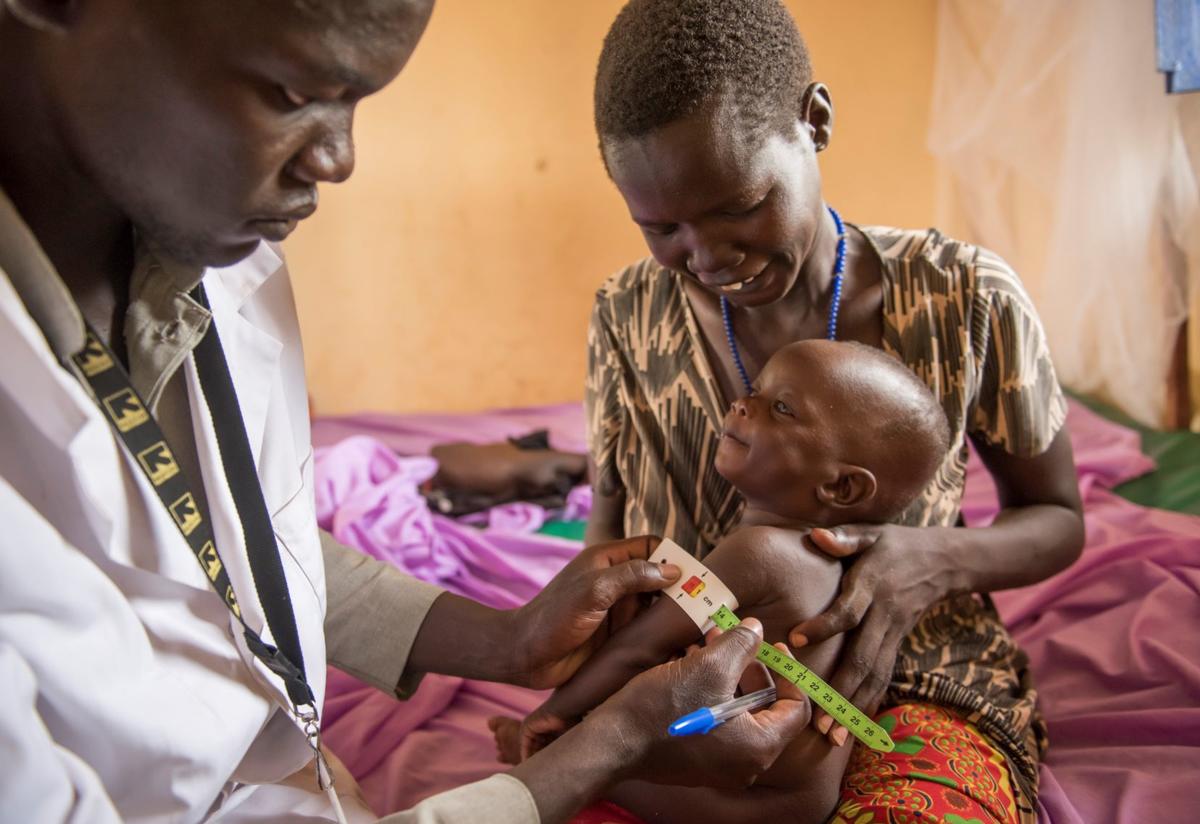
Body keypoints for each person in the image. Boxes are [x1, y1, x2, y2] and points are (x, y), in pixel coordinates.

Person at [0, 1, 814, 822]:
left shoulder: (210, 256)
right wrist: (613, 743)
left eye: (359, 100)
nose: (339, 158)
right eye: (292, 91)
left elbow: (237, 550)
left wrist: (507, 640)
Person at [583, 1, 1086, 822]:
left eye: (740, 204)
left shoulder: (963, 296)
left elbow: (1058, 515)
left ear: (814, 122)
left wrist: (928, 560)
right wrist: (609, 698)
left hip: (901, 680)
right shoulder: (626, 313)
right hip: (686, 679)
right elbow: (609, 533)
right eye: (662, 226)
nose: (708, 257)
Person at [491, 339, 951, 822]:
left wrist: (554, 719)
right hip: (806, 798)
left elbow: (636, 649)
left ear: (840, 486)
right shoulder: (854, 570)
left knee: (591, 766)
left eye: (781, 407)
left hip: (743, 803)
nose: (741, 404)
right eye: (754, 391)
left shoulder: (759, 551)